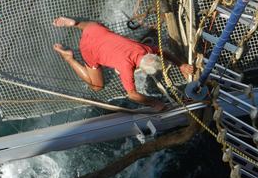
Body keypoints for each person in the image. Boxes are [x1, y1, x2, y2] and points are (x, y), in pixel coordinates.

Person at [52, 17, 194, 111]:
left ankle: (76, 23)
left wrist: (180, 64)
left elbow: (163, 52)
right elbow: (132, 95)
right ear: (143, 71)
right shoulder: (126, 67)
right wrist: (154, 103)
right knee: (96, 86)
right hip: (88, 48)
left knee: (92, 27)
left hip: (94, 30)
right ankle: (69, 57)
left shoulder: (145, 50)